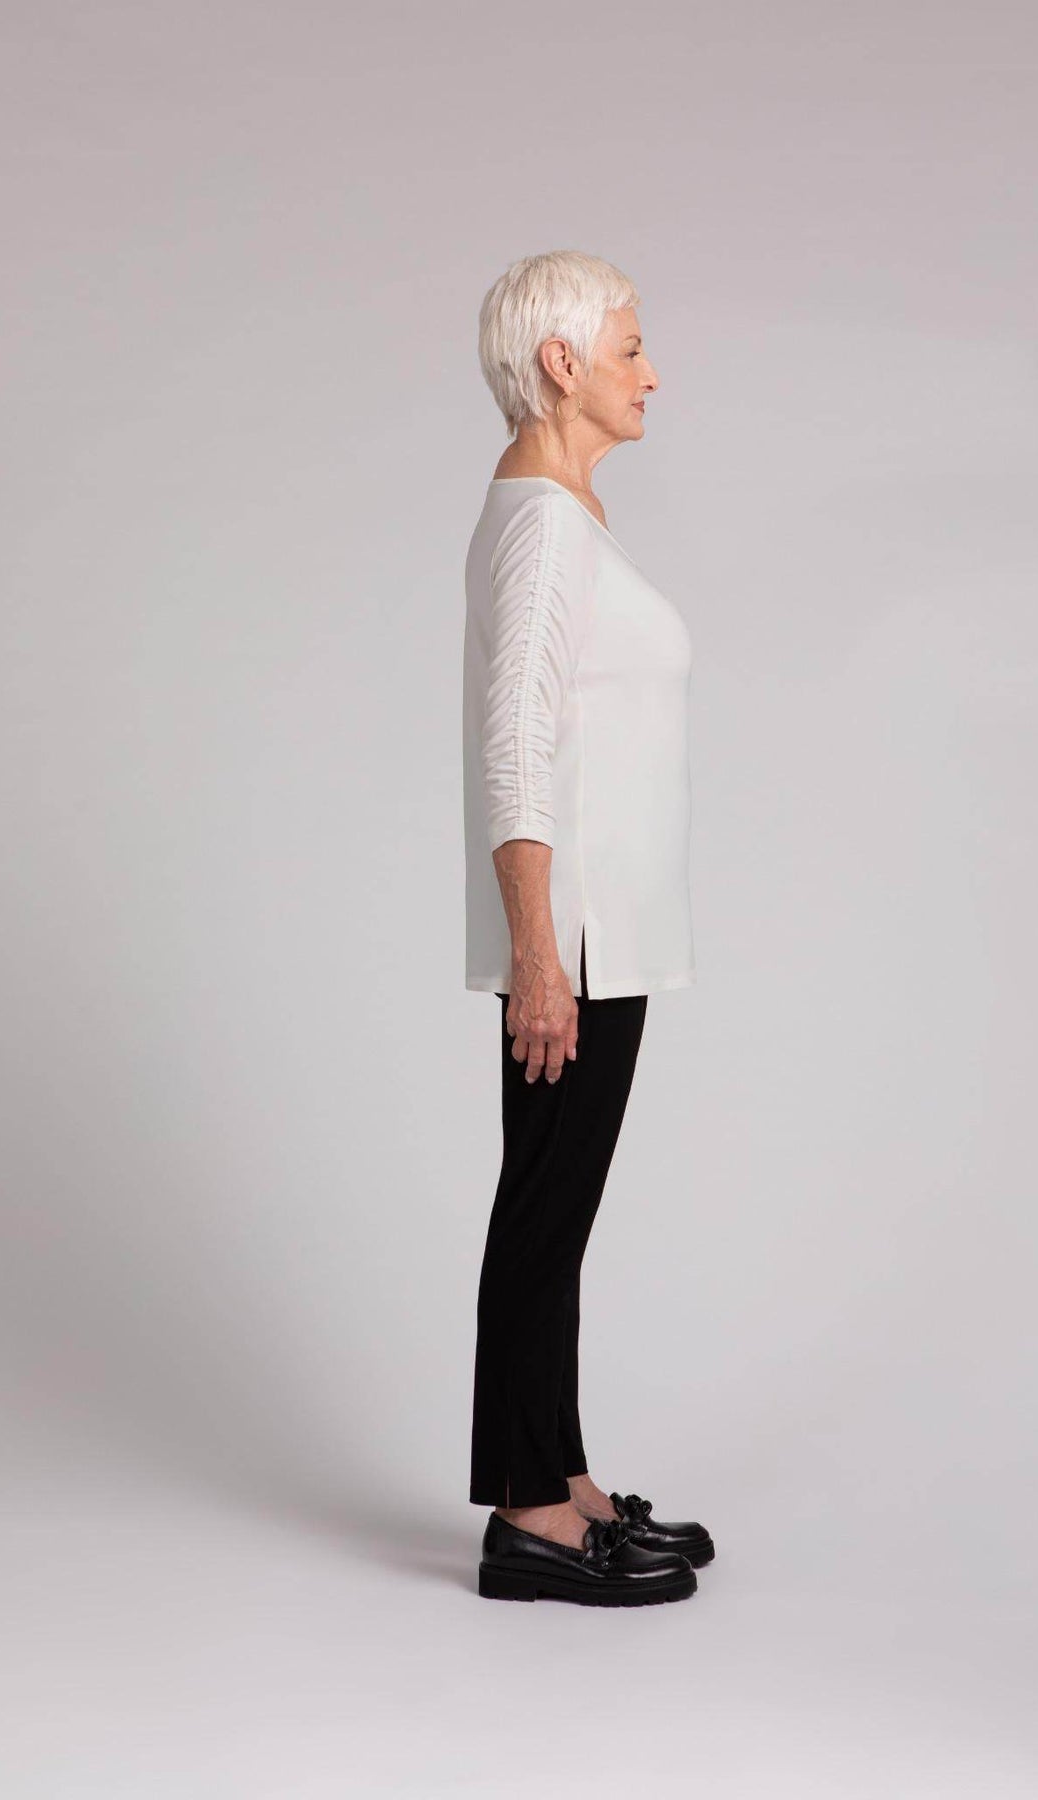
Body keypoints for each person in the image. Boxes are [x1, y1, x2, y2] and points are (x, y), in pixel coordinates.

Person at [462, 250, 715, 1605]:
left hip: (595, 937)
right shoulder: (544, 527)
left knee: (554, 1212)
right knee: (545, 1212)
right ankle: (528, 1516)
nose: (651, 373)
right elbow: (514, 748)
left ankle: (560, 1481)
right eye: (630, 348)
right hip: (576, 944)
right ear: (561, 364)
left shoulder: (560, 513)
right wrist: (537, 956)